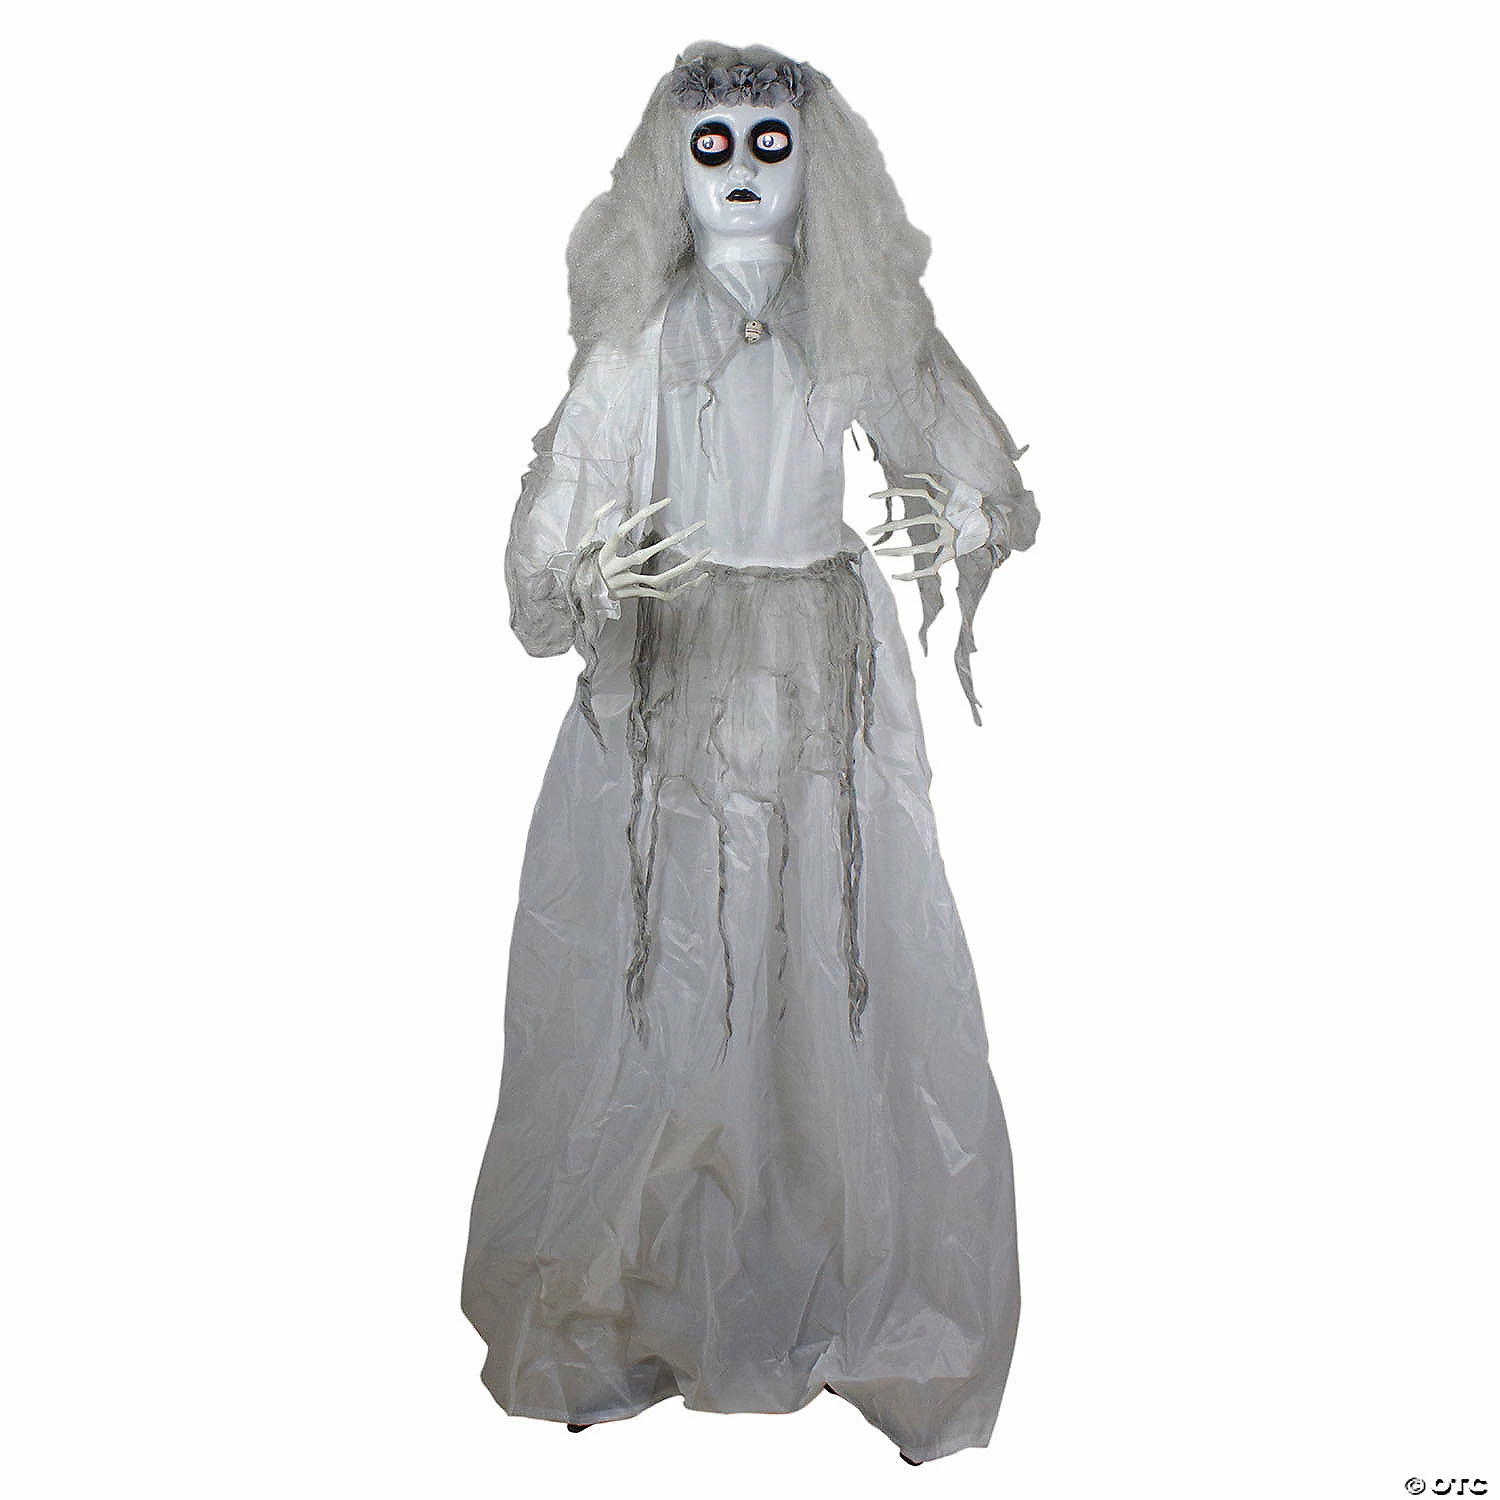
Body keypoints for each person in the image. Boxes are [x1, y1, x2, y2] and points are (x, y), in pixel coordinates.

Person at [462, 41, 1039, 1465]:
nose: (737, 173)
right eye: (709, 145)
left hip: (820, 680)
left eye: (766, 145)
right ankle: (637, 1292)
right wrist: (585, 577)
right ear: (670, 163)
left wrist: (969, 514)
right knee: (672, 956)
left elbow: (973, 467)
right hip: (675, 682)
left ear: (812, 160)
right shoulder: (642, 343)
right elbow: (545, 559)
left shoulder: (857, 323)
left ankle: (829, 1278)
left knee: (825, 952)